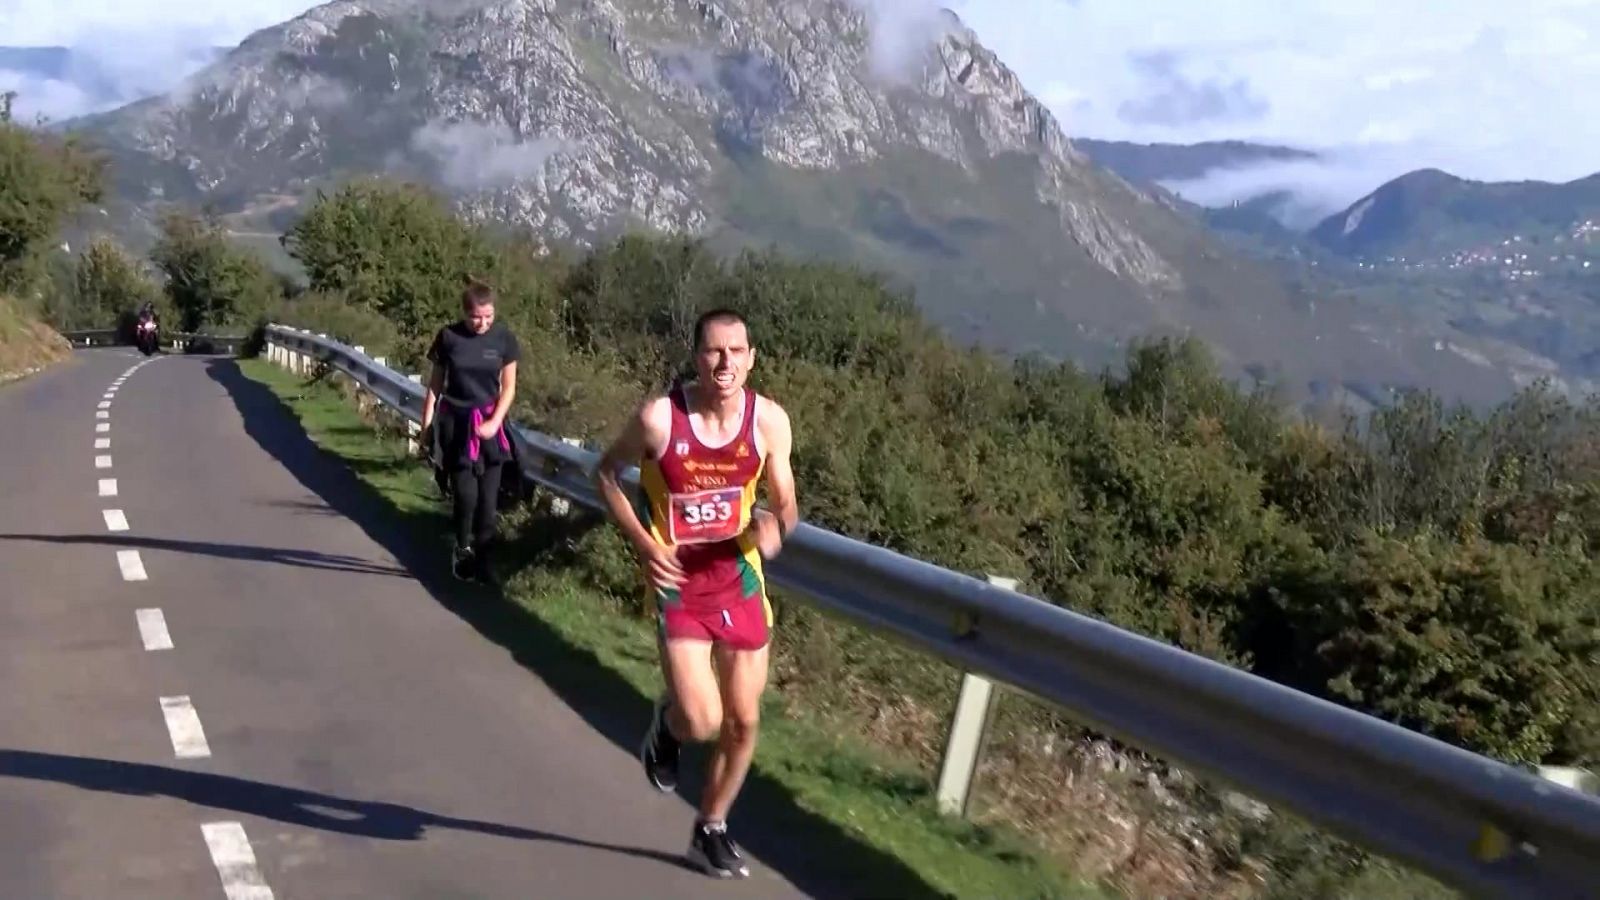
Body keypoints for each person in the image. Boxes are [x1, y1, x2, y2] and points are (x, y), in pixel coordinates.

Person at [595, 308, 798, 879]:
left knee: (744, 721)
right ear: (697, 357)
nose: (725, 361)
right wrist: (644, 544)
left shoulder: (768, 422)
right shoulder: (660, 419)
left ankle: (711, 825)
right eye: (714, 350)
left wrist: (775, 526)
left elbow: (786, 501)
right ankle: (669, 724)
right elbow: (605, 474)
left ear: (752, 358)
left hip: (739, 578)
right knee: (702, 719)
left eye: (736, 351)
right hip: (678, 582)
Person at [421, 279, 520, 584]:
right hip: (457, 425)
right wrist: (426, 426)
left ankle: (485, 561)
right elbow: (435, 386)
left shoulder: (504, 339)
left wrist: (494, 422)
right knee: (466, 496)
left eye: (488, 316)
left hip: (491, 425)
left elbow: (509, 388)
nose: (483, 323)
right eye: (476, 317)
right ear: (465, 313)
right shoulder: (448, 337)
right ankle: (462, 548)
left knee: (488, 504)